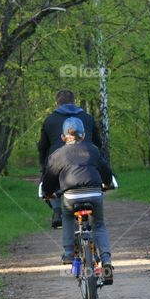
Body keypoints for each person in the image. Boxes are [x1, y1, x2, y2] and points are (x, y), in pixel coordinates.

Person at [41, 117, 114, 279]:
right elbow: (106, 172)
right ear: (84, 134)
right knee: (99, 225)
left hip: (70, 196)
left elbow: (49, 180)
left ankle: (68, 252)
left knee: (66, 217)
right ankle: (106, 260)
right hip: (94, 194)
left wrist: (48, 193)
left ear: (62, 137)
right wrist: (107, 184)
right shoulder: (93, 150)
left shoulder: (57, 155)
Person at [38, 89, 103, 229]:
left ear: (57, 103)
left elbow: (42, 147)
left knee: (51, 178)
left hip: (60, 164)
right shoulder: (87, 118)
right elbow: (98, 144)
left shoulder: (49, 120)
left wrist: (44, 168)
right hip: (86, 163)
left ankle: (57, 211)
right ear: (74, 102)